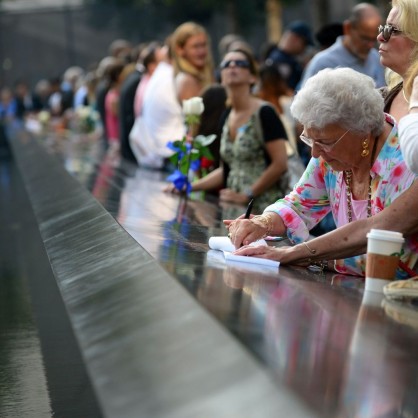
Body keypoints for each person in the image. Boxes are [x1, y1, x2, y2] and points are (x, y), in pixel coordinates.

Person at [226, 67, 418, 277]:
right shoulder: (330, 157)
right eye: (309, 139)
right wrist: (262, 223)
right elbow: (298, 205)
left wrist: (293, 254)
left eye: (324, 142)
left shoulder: (406, 161)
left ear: (362, 130)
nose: (315, 153)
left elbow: (380, 236)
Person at [166, 48, 289, 213]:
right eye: (226, 64)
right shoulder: (226, 115)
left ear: (252, 76)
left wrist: (248, 194)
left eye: (240, 63)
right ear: (221, 77)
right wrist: (189, 187)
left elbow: (280, 164)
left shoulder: (265, 112)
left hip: (264, 210)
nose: (232, 66)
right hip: (234, 209)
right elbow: (226, 169)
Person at [299, 3, 386, 89]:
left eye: (374, 40)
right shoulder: (323, 63)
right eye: (364, 38)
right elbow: (304, 102)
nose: (370, 45)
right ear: (347, 28)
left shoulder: (377, 58)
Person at [171, 22, 214, 103]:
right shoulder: (187, 81)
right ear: (180, 50)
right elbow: (194, 115)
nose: (201, 51)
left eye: (204, 45)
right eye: (196, 46)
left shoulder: (203, 76)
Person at [265, 20, 314, 91]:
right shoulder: (282, 61)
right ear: (295, 39)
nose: (304, 48)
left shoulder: (277, 56)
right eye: (304, 44)